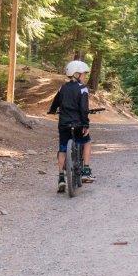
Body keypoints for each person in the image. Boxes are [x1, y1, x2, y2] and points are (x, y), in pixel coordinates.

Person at [48, 59, 95, 192]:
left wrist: (52, 111)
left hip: (63, 124)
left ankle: (61, 178)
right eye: (83, 74)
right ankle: (86, 170)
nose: (84, 76)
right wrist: (86, 124)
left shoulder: (62, 87)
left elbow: (55, 102)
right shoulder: (83, 89)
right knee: (87, 141)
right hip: (78, 124)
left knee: (62, 148)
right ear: (77, 74)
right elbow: (84, 108)